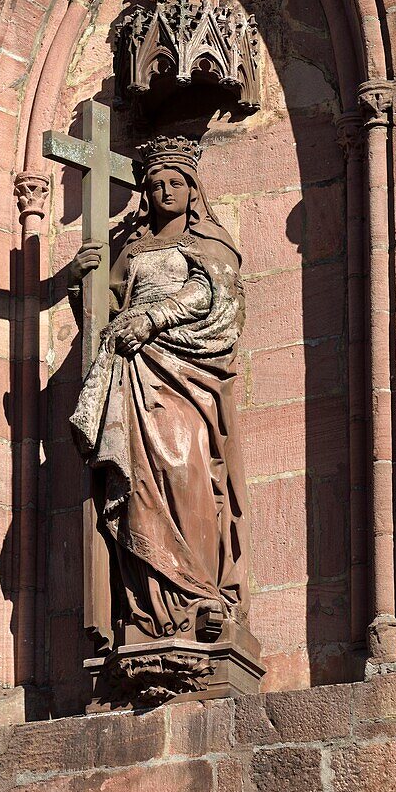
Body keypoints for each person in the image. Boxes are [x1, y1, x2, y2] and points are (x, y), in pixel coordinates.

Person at [66, 135, 250, 642]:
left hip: (186, 373)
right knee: (138, 484)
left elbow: (214, 293)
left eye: (176, 182)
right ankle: (151, 603)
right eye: (157, 184)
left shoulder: (211, 245)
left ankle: (199, 592)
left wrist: (153, 317)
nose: (167, 190)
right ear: (146, 193)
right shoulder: (133, 249)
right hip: (133, 371)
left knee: (186, 470)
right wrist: (84, 281)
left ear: (193, 190)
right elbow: (104, 308)